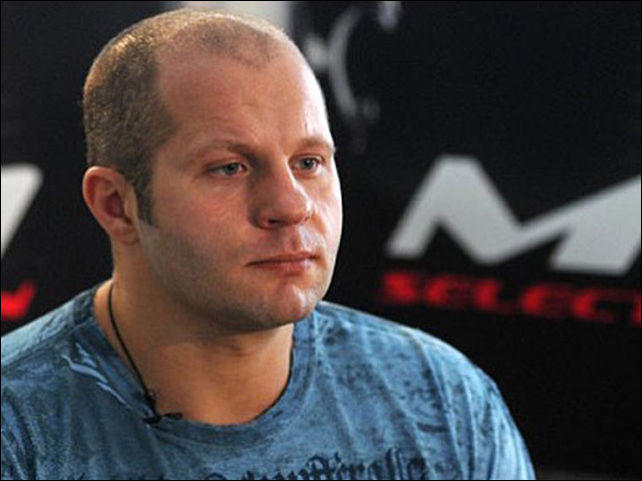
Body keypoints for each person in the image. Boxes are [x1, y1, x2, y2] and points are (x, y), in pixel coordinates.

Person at [1, 8, 535, 480]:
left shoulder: (440, 398)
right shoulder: (19, 427)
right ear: (117, 205)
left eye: (309, 162)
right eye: (229, 168)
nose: (291, 204)